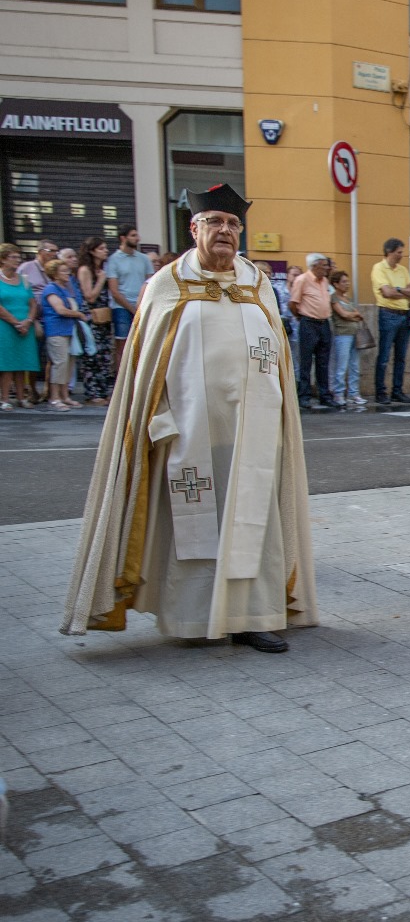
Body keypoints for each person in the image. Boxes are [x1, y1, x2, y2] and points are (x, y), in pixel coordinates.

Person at [62, 183, 317, 653]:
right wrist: (158, 420)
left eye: (233, 224)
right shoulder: (166, 285)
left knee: (252, 521)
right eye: (215, 222)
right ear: (194, 228)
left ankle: (251, 616)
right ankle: (194, 618)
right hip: (189, 433)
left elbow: (277, 355)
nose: (225, 231)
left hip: (254, 432)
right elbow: (143, 365)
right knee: (194, 527)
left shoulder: (257, 282)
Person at [371, 238, 410, 404]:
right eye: (399, 252)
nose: (401, 255)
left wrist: (397, 290)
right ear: (389, 252)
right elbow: (386, 293)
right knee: (384, 356)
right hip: (388, 314)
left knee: (401, 356)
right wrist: (403, 292)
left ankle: (397, 390)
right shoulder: (379, 268)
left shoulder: (402, 270)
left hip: (404, 314)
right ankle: (380, 391)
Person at [290, 253, 337, 410]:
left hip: (324, 323)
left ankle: (324, 395)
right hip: (308, 323)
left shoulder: (324, 281)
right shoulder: (302, 279)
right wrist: (302, 317)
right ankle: (304, 396)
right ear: (314, 266)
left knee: (323, 361)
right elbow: (293, 303)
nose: (327, 268)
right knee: (306, 361)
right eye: (323, 265)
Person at [105, 223, 155, 369]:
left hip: (142, 305)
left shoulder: (144, 259)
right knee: (122, 345)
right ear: (123, 238)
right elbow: (114, 291)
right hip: (121, 307)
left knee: (143, 343)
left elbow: (151, 283)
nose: (137, 238)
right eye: (133, 235)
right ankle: (121, 382)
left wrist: (141, 306)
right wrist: (133, 309)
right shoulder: (113, 259)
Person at [39, 260, 86, 411]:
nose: (67, 274)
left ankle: (65, 396)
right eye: (63, 271)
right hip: (56, 330)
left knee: (68, 364)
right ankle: (54, 398)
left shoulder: (65, 288)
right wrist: (78, 314)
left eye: (67, 271)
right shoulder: (51, 289)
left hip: (68, 329)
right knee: (59, 364)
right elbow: (60, 309)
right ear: (54, 274)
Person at [75, 237, 116, 405]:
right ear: (92, 251)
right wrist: (100, 280)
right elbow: (89, 296)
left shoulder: (103, 268)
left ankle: (104, 391)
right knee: (93, 355)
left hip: (104, 316)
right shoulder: (85, 270)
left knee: (105, 355)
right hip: (91, 316)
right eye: (101, 248)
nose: (105, 251)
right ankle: (93, 393)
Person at [0, 245, 41, 410]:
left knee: (23, 362)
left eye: (18, 257)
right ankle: (4, 399)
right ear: (3, 259)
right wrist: (16, 323)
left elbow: (33, 303)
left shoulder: (23, 280)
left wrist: (28, 321)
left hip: (25, 327)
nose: (18, 260)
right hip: (5, 327)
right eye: (13, 257)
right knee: (7, 363)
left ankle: (21, 397)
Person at [327, 270, 364, 408]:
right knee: (341, 366)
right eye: (344, 282)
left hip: (354, 334)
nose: (347, 284)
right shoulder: (334, 298)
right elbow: (343, 314)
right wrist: (353, 315)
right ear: (336, 284)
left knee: (355, 365)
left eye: (347, 281)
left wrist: (352, 315)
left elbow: (356, 314)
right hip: (342, 334)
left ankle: (354, 393)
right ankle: (339, 393)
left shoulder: (348, 299)